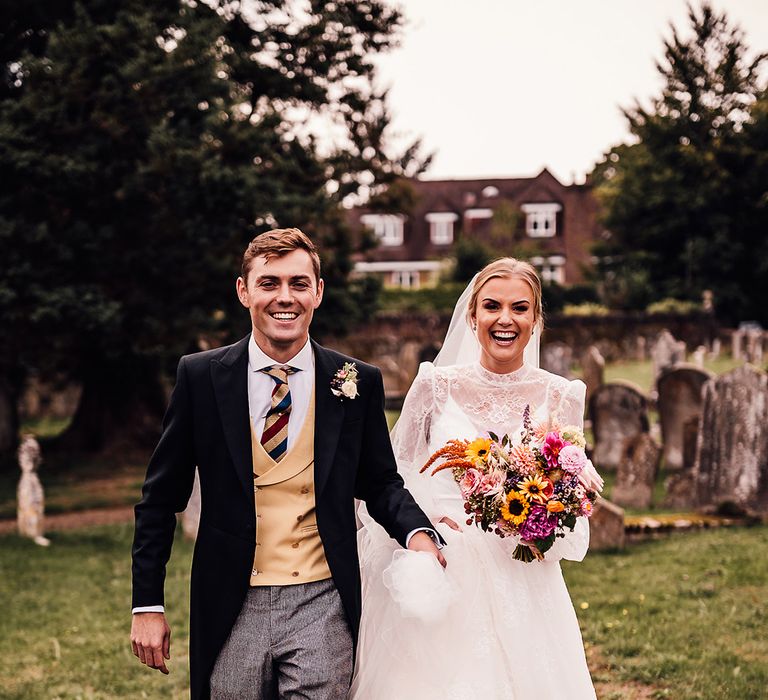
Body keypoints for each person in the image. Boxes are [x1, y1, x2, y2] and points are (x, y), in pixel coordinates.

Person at [130, 228, 443, 700]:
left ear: (318, 292)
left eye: (299, 283)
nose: (285, 297)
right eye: (269, 282)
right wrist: (148, 604)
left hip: (324, 600)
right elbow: (159, 499)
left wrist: (419, 535)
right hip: (231, 601)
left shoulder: (357, 381)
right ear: (244, 291)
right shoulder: (200, 377)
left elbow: (380, 482)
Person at [350, 258, 601, 700]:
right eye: (492, 306)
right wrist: (424, 522)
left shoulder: (560, 395)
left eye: (520, 308)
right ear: (473, 315)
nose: (505, 319)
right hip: (447, 566)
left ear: (536, 319)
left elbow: (575, 500)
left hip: (524, 580)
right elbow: (389, 477)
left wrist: (545, 514)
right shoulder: (434, 385)